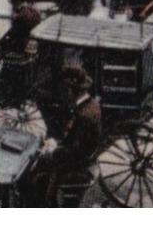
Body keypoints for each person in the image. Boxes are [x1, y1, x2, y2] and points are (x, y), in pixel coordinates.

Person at [30, 66, 105, 205]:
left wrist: (52, 150)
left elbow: (74, 149)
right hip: (86, 157)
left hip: (76, 163)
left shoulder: (83, 115)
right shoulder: (92, 104)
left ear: (72, 90)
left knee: (36, 172)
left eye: (66, 90)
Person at [0, 0, 41, 66]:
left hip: (20, 45)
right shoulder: (35, 12)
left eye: (12, 2)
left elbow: (13, 31)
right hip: (32, 44)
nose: (11, 5)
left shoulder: (20, 14)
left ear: (16, 2)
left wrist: (1, 41)